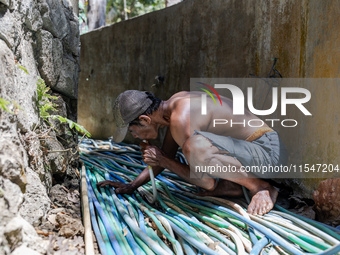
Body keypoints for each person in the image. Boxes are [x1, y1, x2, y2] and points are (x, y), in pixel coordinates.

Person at [97, 90, 288, 215]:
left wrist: (163, 160)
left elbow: (207, 182)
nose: (136, 136)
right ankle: (232, 185)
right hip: (256, 149)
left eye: (133, 131)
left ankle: (261, 187)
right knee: (194, 146)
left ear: (145, 120)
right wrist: (132, 185)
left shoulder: (180, 120)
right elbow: (166, 155)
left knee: (193, 146)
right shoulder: (174, 106)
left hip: (268, 153)